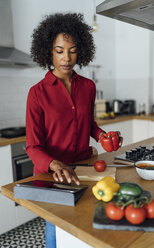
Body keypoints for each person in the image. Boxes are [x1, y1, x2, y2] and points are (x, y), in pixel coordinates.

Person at [26, 12, 122, 248]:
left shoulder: (88, 87)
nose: (66, 58)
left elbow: (89, 124)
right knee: (56, 225)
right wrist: (55, 164)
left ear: (81, 51)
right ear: (49, 51)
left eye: (72, 50)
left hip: (83, 167)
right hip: (53, 173)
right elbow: (33, 146)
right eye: (59, 51)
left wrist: (103, 136)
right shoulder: (37, 93)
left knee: (83, 224)